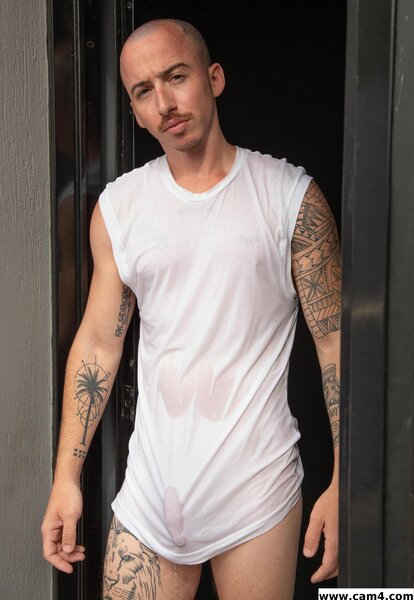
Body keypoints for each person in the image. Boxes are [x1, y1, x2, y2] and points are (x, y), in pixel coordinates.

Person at [42, 18, 341, 600]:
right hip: (149, 498)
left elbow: (334, 344)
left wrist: (344, 478)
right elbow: (99, 344)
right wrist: (66, 478)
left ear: (214, 78)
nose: (164, 103)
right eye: (143, 91)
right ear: (134, 111)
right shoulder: (121, 209)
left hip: (257, 495)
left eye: (176, 77)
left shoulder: (289, 199)